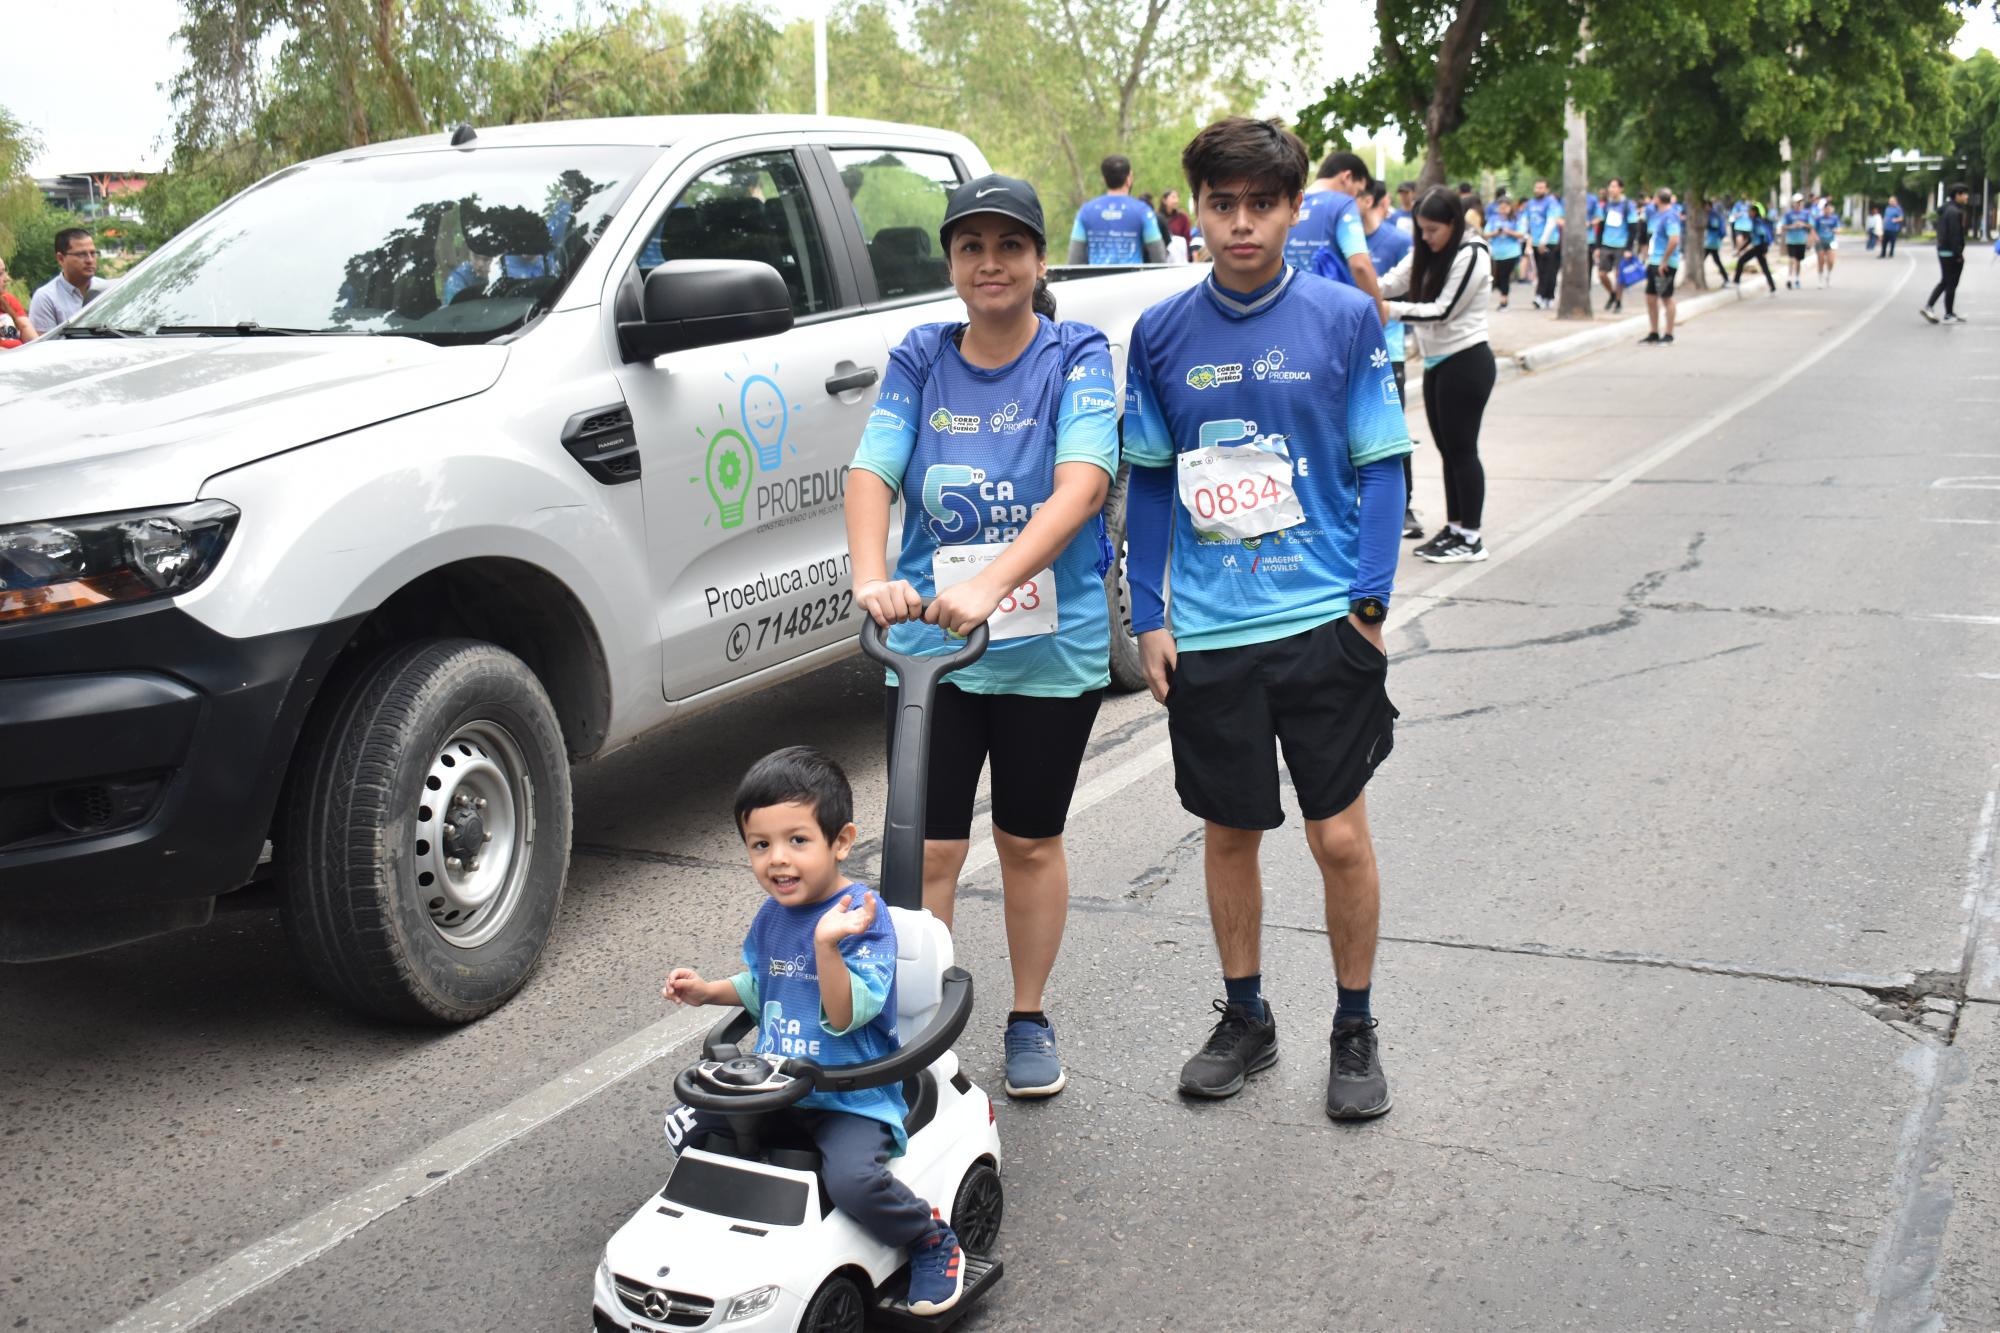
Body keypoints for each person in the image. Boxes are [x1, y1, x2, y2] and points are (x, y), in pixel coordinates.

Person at [1122, 116, 1410, 1121]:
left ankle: (1353, 1024)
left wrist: (1367, 607)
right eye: (1220, 204)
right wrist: (1150, 614)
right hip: (1208, 634)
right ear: (1192, 207)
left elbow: (1383, 467)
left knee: (1336, 837)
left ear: (1294, 209)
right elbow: (1150, 482)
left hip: (1320, 620)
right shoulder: (1159, 334)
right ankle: (1245, 1015)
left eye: (1260, 205)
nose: (1239, 224)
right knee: (1229, 832)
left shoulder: (1342, 319)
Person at [846, 173, 1117, 1100]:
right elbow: (872, 471)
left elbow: (1081, 485)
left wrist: (991, 586)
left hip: (1050, 648)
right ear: (952, 263)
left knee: (1029, 841)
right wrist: (870, 574)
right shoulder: (921, 355)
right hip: (933, 652)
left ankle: (1028, 1015)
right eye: (972, 247)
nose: (990, 263)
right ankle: (917, 1022)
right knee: (928, 851)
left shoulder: (1077, 352)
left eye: (1010, 246)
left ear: (1039, 261)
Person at [662, 748, 967, 1316]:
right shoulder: (773, 915)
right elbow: (763, 985)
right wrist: (708, 991)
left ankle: (929, 1239)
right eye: (760, 844)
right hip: (781, 1084)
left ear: (841, 841)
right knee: (690, 1132)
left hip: (851, 1095)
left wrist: (828, 945)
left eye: (797, 841)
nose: (778, 860)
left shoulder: (862, 917)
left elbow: (849, 1011)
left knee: (852, 1181)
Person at [1381, 188, 1495, 565]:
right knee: (1448, 451)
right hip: (1436, 363)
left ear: (1453, 224)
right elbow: (1391, 282)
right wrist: (1357, 285)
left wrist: (1389, 311)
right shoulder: (1429, 251)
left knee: (1463, 450)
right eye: (1422, 230)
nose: (1426, 237)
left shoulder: (1472, 254)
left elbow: (1442, 311)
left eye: (1433, 230)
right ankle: (1455, 526)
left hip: (1466, 361)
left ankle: (1472, 537)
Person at [1362, 179, 1422, 540]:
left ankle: (1405, 509)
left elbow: (1413, 288)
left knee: (1393, 435)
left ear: (1371, 201)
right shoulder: (1343, 242)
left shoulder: (1399, 242)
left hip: (1388, 350)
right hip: (1346, 350)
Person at [1284, 150, 1387, 326]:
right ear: (1347, 177)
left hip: (1288, 310)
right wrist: (1379, 314)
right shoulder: (1343, 204)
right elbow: (1360, 264)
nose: (1355, 196)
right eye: (1358, 190)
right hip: (1329, 315)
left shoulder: (1289, 204)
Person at [1069, 155, 1167, 265]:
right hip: (1132, 280)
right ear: (1129, 179)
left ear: (1104, 179)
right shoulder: (1143, 211)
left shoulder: (1085, 212)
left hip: (1096, 280)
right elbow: (1158, 256)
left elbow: (1074, 258)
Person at [28, 227, 108, 331]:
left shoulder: (108, 290)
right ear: (61, 258)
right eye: (81, 254)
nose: (90, 260)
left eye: (93, 253)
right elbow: (46, 345)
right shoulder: (45, 298)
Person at [1920, 182, 1970, 324]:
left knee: (1948, 282)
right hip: (1951, 252)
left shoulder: (1947, 209)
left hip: (1944, 250)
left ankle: (1948, 312)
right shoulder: (1954, 212)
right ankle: (1931, 307)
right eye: (1964, 194)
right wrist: (1958, 253)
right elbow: (1954, 234)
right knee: (1948, 282)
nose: (1967, 197)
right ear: (1957, 195)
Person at [1638, 188, 1682, 346]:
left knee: (1666, 297)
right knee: (1650, 297)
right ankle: (1654, 332)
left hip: (1665, 263)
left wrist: (1664, 260)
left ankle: (1669, 334)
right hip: (1654, 261)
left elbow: (1674, 239)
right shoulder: (1661, 216)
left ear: (1657, 199)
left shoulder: (1670, 216)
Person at [1594, 178, 1635, 312]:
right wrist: (1598, 247)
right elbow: (1600, 226)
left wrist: (1629, 248)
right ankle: (1612, 294)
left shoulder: (1627, 205)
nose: (1611, 189)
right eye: (1610, 186)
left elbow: (1633, 228)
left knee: (1619, 275)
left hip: (1621, 244)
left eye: (1614, 186)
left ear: (1621, 189)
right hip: (1606, 244)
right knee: (1602, 274)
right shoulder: (1606, 205)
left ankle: (1618, 301)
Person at [1525, 177, 1565, 309]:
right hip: (1535, 241)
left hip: (1549, 240)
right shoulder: (1530, 203)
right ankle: (1548, 296)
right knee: (1542, 270)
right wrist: (1528, 239)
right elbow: (1527, 222)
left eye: (1541, 187)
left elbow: (1551, 222)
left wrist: (1544, 241)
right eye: (1537, 187)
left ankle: (1540, 296)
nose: (1538, 190)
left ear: (1547, 189)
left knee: (1548, 270)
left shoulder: (1551, 202)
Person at [1487, 195, 1526, 310]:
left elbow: (1521, 234)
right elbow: (1485, 233)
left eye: (1505, 207)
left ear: (1510, 207)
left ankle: (1504, 302)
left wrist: (1508, 232)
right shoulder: (1493, 219)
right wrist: (1495, 233)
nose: (1503, 210)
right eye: (1501, 207)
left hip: (1511, 253)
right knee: (1497, 278)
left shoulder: (1515, 219)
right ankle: (1503, 297)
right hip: (1496, 253)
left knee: (1504, 276)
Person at [1732, 201, 1777, 294]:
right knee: (1764, 267)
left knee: (1741, 261)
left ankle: (1736, 282)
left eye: (1750, 212)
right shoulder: (1754, 222)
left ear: (1754, 212)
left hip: (1759, 248)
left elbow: (1762, 236)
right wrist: (1740, 249)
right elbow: (1750, 239)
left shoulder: (1757, 222)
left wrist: (1765, 250)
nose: (1748, 213)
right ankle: (1772, 287)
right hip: (1758, 247)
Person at [0, 256, 40, 348]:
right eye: (0, 274)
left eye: (4, 272)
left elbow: (35, 343)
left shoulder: (8, 300)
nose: (7, 278)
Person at [1778, 193, 1811, 289]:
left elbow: (1811, 225)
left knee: (1798, 261)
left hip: (1801, 240)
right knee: (1792, 259)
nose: (1798, 204)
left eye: (1800, 202)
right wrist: (1792, 226)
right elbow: (1783, 226)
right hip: (1791, 240)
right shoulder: (1788, 214)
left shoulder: (1805, 214)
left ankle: (1797, 278)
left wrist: (1802, 224)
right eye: (1797, 202)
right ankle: (1789, 278)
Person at [1159, 187, 1195, 255]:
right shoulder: (1158, 218)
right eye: (1173, 197)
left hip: (1179, 255)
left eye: (1177, 197)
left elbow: (1188, 238)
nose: (1176, 201)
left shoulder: (1183, 217)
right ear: (1164, 200)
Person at [1812, 198, 1839, 288]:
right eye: (1826, 209)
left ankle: (1828, 276)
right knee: (1821, 260)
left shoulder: (1834, 218)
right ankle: (1820, 279)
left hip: (1831, 241)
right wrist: (1816, 237)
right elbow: (1813, 229)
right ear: (1823, 209)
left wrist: (1836, 230)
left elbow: (1838, 228)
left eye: (1829, 209)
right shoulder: (1819, 219)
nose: (1827, 210)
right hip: (1820, 241)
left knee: (1831, 260)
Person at [1703, 197, 1730, 283]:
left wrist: (1705, 224)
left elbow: (1714, 226)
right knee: (1717, 260)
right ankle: (1725, 277)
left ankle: (1726, 277)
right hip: (1711, 241)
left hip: (1712, 241)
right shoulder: (1711, 214)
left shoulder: (1713, 215)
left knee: (1704, 259)